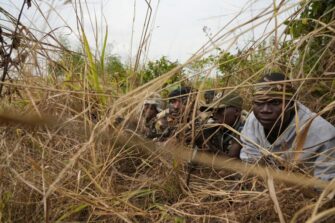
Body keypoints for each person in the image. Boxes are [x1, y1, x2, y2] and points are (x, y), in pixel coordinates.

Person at [240, 72, 335, 181]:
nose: (265, 110)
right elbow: (250, 164)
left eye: (275, 102)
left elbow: (326, 188)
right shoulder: (253, 120)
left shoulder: (322, 135)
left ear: (291, 103)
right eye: (259, 103)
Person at [196, 91, 245, 158]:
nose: (214, 114)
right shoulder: (214, 125)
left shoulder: (245, 129)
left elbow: (231, 162)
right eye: (213, 110)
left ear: (237, 111)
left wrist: (208, 146)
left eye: (220, 110)